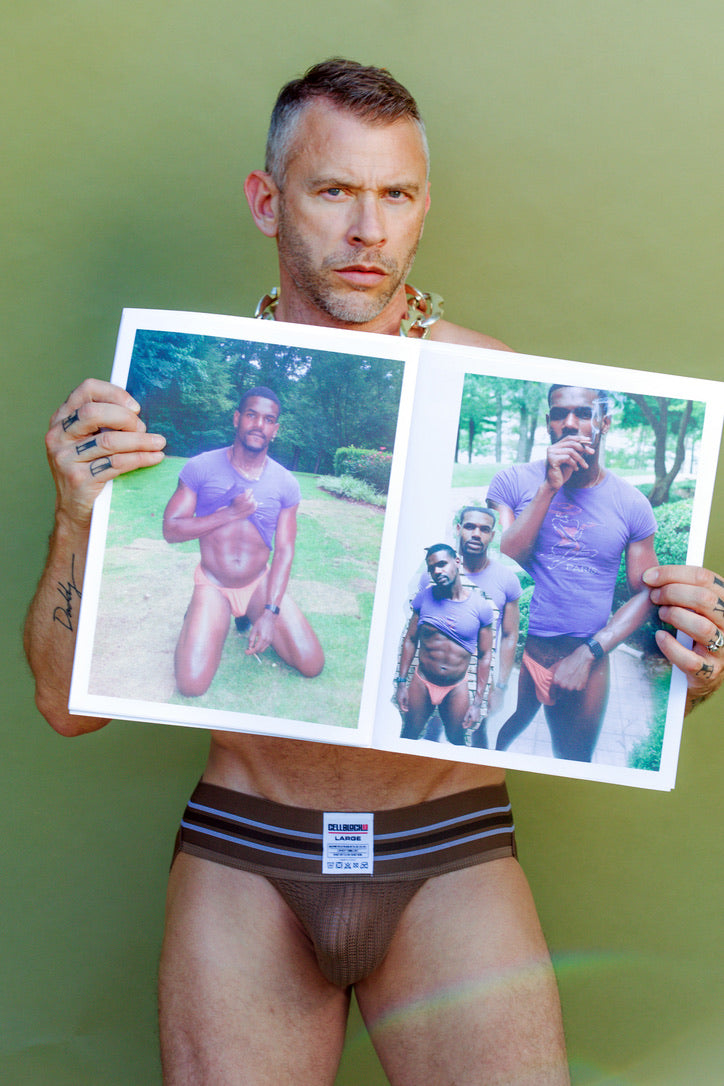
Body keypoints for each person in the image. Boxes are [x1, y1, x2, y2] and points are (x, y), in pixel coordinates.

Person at [23, 59, 724, 1085]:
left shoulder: (499, 378)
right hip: (248, 847)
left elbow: (579, 637)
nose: (367, 230)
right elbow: (62, 706)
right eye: (334, 190)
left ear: (423, 209)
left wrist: (682, 659)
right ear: (267, 202)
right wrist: (77, 514)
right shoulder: (171, 412)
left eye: (395, 194)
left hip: (446, 845)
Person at [487, 384, 659, 760]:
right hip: (527, 652)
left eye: (582, 413)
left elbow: (649, 592)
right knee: (496, 741)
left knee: (573, 761)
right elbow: (511, 549)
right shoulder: (511, 482)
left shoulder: (631, 503)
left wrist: (590, 652)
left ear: (604, 423)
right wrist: (550, 487)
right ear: (548, 422)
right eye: (558, 413)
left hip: (587, 659)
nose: (569, 423)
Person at [162, 386, 323, 696]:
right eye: (251, 415)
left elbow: (285, 551)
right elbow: (171, 530)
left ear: (275, 429)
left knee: (312, 663)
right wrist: (230, 514)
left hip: (258, 585)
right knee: (191, 685)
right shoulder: (200, 467)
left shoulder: (286, 483)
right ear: (237, 418)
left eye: (268, 420)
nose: (259, 425)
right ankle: (198, 613)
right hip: (214, 583)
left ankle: (249, 613)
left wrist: (270, 612)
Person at [417, 507, 521, 747]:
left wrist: (501, 687)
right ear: (458, 529)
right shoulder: (433, 574)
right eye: (470, 526)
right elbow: (418, 631)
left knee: (475, 742)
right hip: (432, 676)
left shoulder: (506, 580)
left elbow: (509, 635)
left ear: (492, 536)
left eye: (484, 529)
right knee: (428, 738)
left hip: (476, 682)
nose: (476, 534)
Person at [397, 544, 494, 745]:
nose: (437, 571)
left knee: (457, 740)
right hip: (422, 682)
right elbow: (411, 640)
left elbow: (485, 656)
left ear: (457, 562)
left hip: (456, 687)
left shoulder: (480, 607)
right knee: (409, 735)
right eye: (432, 567)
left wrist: (477, 703)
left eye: (442, 564)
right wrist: (401, 683)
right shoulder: (424, 598)